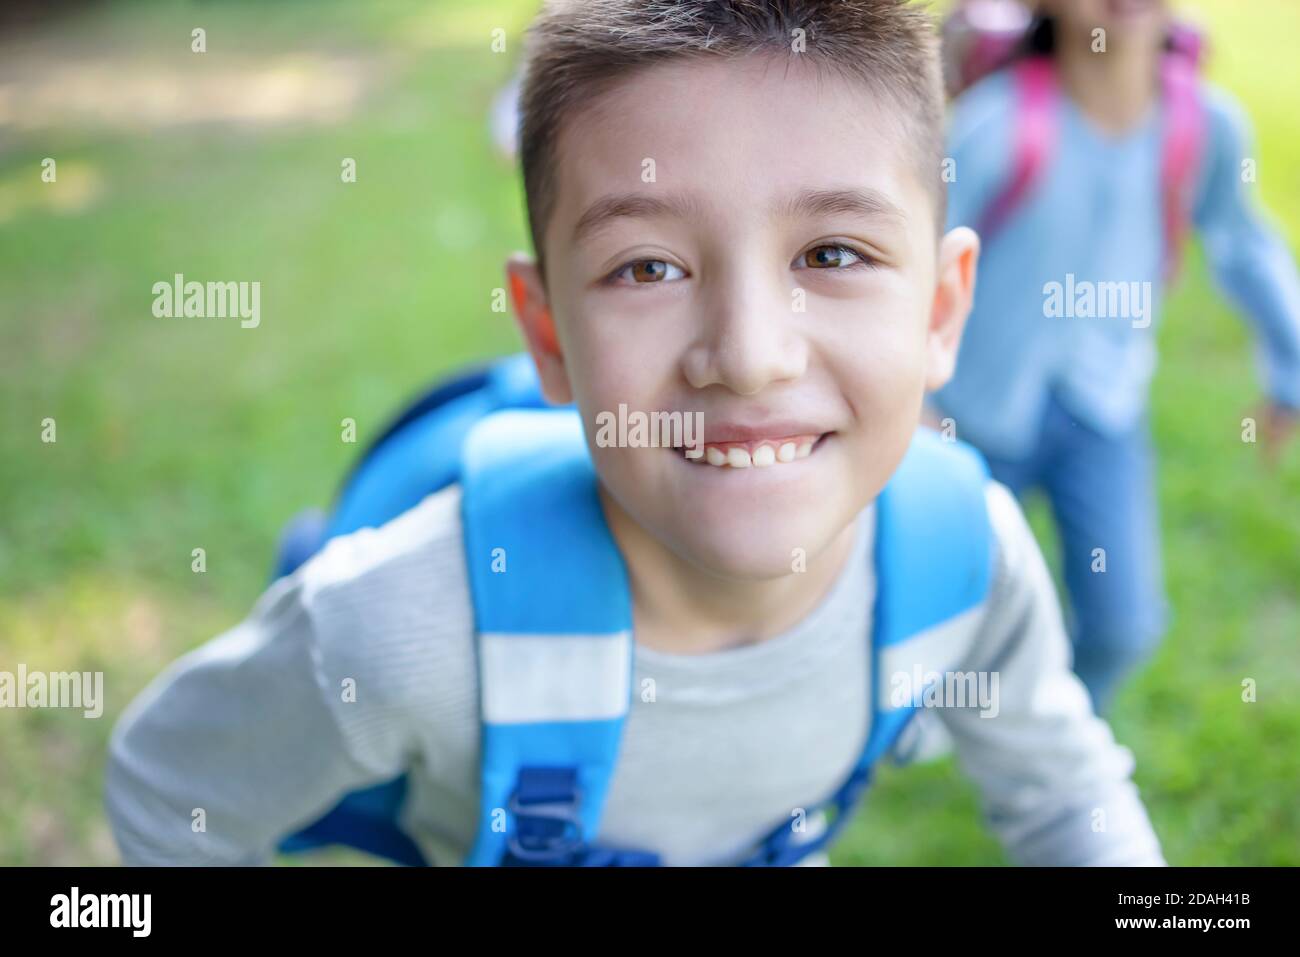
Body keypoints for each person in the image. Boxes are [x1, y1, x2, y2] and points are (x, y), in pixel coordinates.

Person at [105, 0, 1164, 867]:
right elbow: (170, 790)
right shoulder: (401, 629)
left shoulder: (966, 560)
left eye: (832, 253)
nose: (749, 355)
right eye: (646, 268)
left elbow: (1067, 798)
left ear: (940, 310)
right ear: (549, 334)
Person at [933, 0, 1300, 713]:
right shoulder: (993, 127)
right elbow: (917, 266)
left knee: (1123, 624)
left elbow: (1247, 247)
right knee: (948, 607)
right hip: (972, 415)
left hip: (1102, 414)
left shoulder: (1205, 128)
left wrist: (1291, 369)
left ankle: (1055, 724)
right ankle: (938, 719)